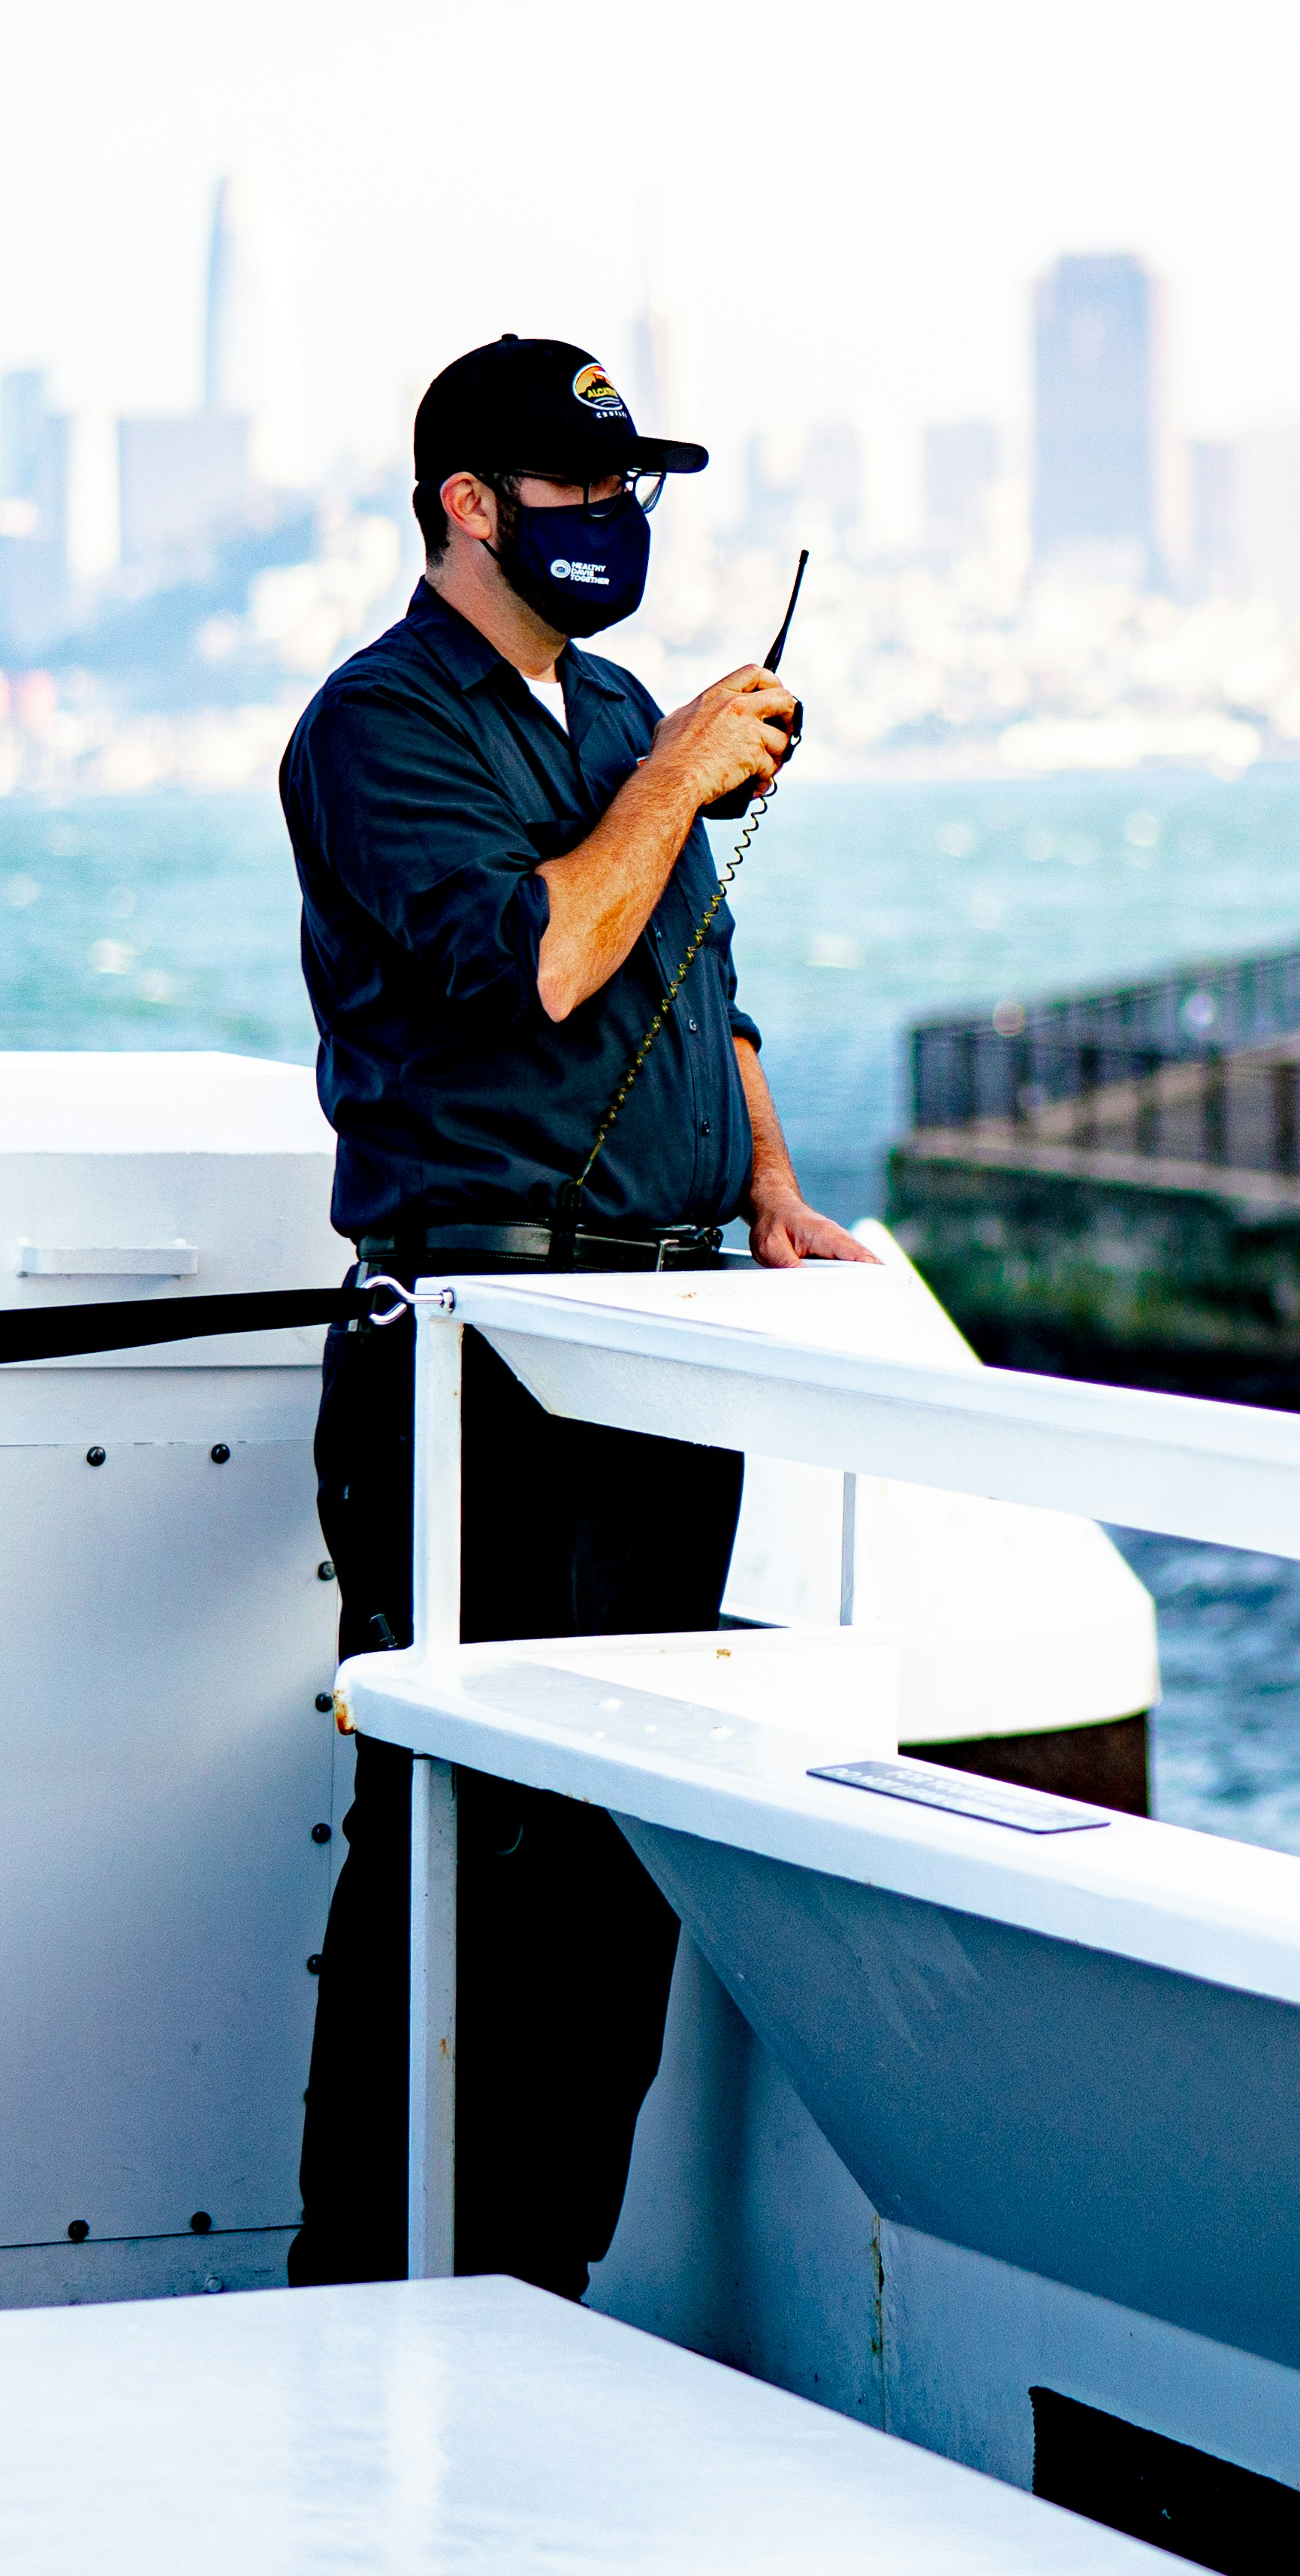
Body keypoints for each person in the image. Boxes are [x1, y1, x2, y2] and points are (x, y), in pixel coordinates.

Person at [279, 334, 873, 2294]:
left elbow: (695, 978)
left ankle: (543, 2301)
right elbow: (534, 964)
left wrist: (769, 1186)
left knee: (618, 1865)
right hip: (477, 1364)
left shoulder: (617, 705)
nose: (615, 521)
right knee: (461, 1854)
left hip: (658, 1359)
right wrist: (681, 772)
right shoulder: (377, 729)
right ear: (468, 499)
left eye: (635, 489)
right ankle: (368, 2299)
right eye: (575, 488)